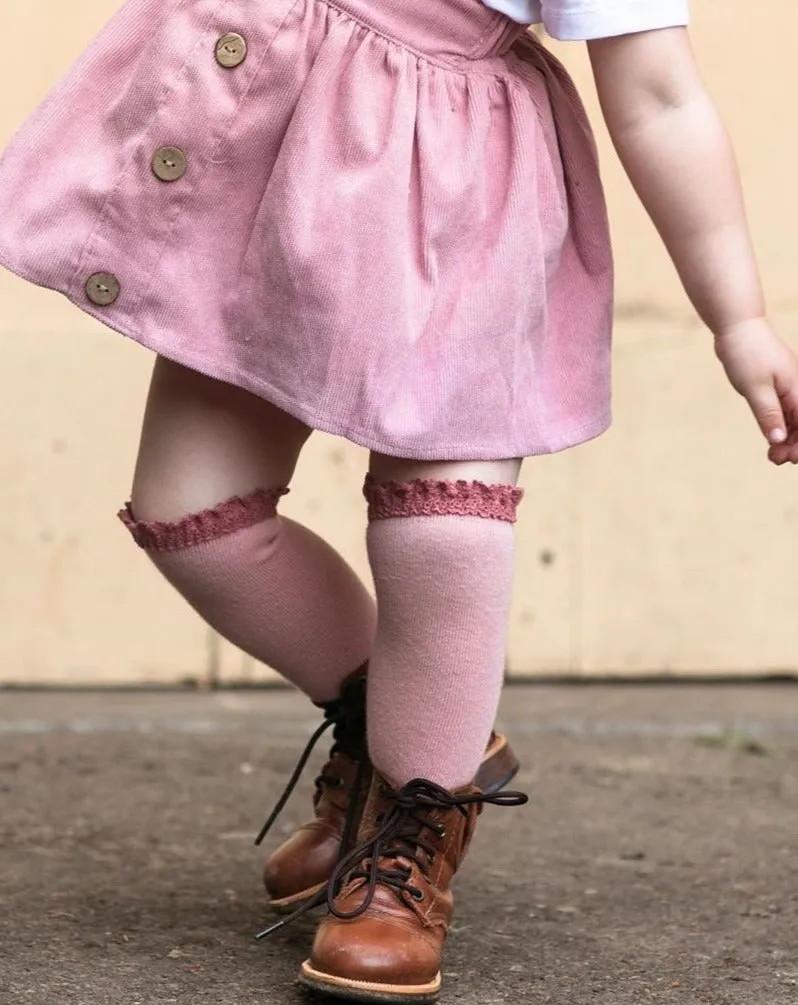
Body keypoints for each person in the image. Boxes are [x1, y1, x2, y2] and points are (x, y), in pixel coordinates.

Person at [0, 0, 796, 1001]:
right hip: (269, 175)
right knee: (189, 513)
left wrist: (740, 319)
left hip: (453, 194)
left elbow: (661, 95)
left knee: (443, 536)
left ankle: (412, 827)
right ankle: (411, 723)